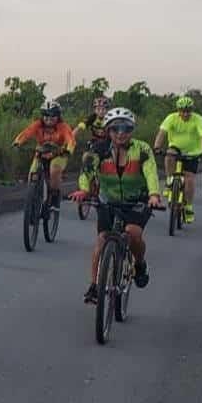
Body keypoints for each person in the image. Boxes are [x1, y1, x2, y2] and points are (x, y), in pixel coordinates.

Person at [70, 107, 163, 304]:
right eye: (115, 129)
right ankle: (95, 286)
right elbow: (86, 171)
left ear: (132, 130)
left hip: (137, 200)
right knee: (103, 239)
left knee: (133, 233)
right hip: (108, 199)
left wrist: (154, 194)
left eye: (126, 128)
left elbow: (151, 172)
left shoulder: (142, 149)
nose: (121, 133)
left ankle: (139, 264)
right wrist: (84, 190)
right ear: (107, 130)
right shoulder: (97, 150)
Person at [153, 96, 202, 225]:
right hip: (176, 148)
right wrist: (156, 146)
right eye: (182, 111)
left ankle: (188, 207)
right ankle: (169, 181)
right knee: (169, 155)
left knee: (189, 179)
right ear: (178, 110)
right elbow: (162, 133)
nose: (185, 114)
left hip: (193, 151)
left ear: (191, 110)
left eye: (188, 111)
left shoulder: (198, 119)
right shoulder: (171, 117)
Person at [13, 100, 75, 209]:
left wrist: (68, 150)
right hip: (41, 152)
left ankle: (55, 197)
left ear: (58, 116)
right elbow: (27, 133)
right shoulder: (38, 124)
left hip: (59, 153)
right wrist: (18, 142)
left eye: (52, 116)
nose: (49, 119)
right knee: (32, 174)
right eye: (46, 115)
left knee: (54, 170)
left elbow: (71, 139)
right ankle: (33, 199)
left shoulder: (63, 126)